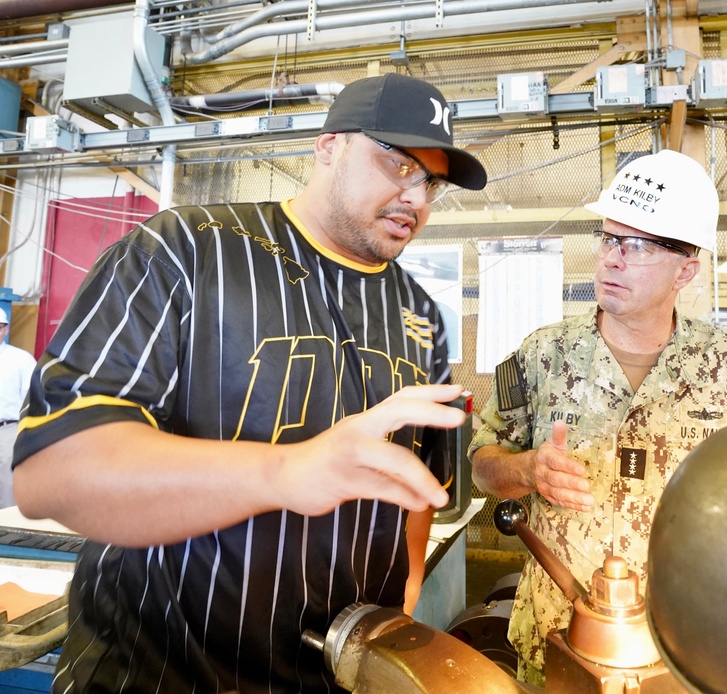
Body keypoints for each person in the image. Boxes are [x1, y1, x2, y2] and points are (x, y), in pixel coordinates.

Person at [12, 72, 487, 693]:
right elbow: (51, 473)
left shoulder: (419, 315)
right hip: (156, 672)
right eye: (397, 164)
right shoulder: (186, 250)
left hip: (331, 672)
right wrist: (286, 473)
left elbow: (419, 486)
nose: (416, 199)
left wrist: (401, 600)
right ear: (329, 146)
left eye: (431, 183)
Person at [468, 149, 727, 686]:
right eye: (609, 238)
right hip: (557, 642)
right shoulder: (540, 357)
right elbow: (481, 464)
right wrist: (524, 471)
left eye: (636, 245)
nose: (612, 258)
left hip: (687, 649)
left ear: (686, 269)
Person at [0, 307, 35, 508]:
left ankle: (5, 536)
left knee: (7, 488)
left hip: (8, 431)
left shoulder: (21, 360)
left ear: (6, 330)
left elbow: (32, 400)